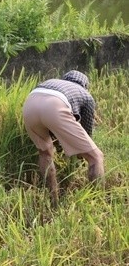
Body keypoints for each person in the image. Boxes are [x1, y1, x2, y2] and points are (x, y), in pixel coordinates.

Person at [22, 70, 104, 206]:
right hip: (55, 104)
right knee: (96, 157)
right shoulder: (85, 94)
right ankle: (97, 203)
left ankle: (53, 201)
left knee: (45, 153)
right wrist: (82, 155)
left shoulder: (54, 83)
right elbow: (86, 131)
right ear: (85, 85)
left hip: (30, 104)